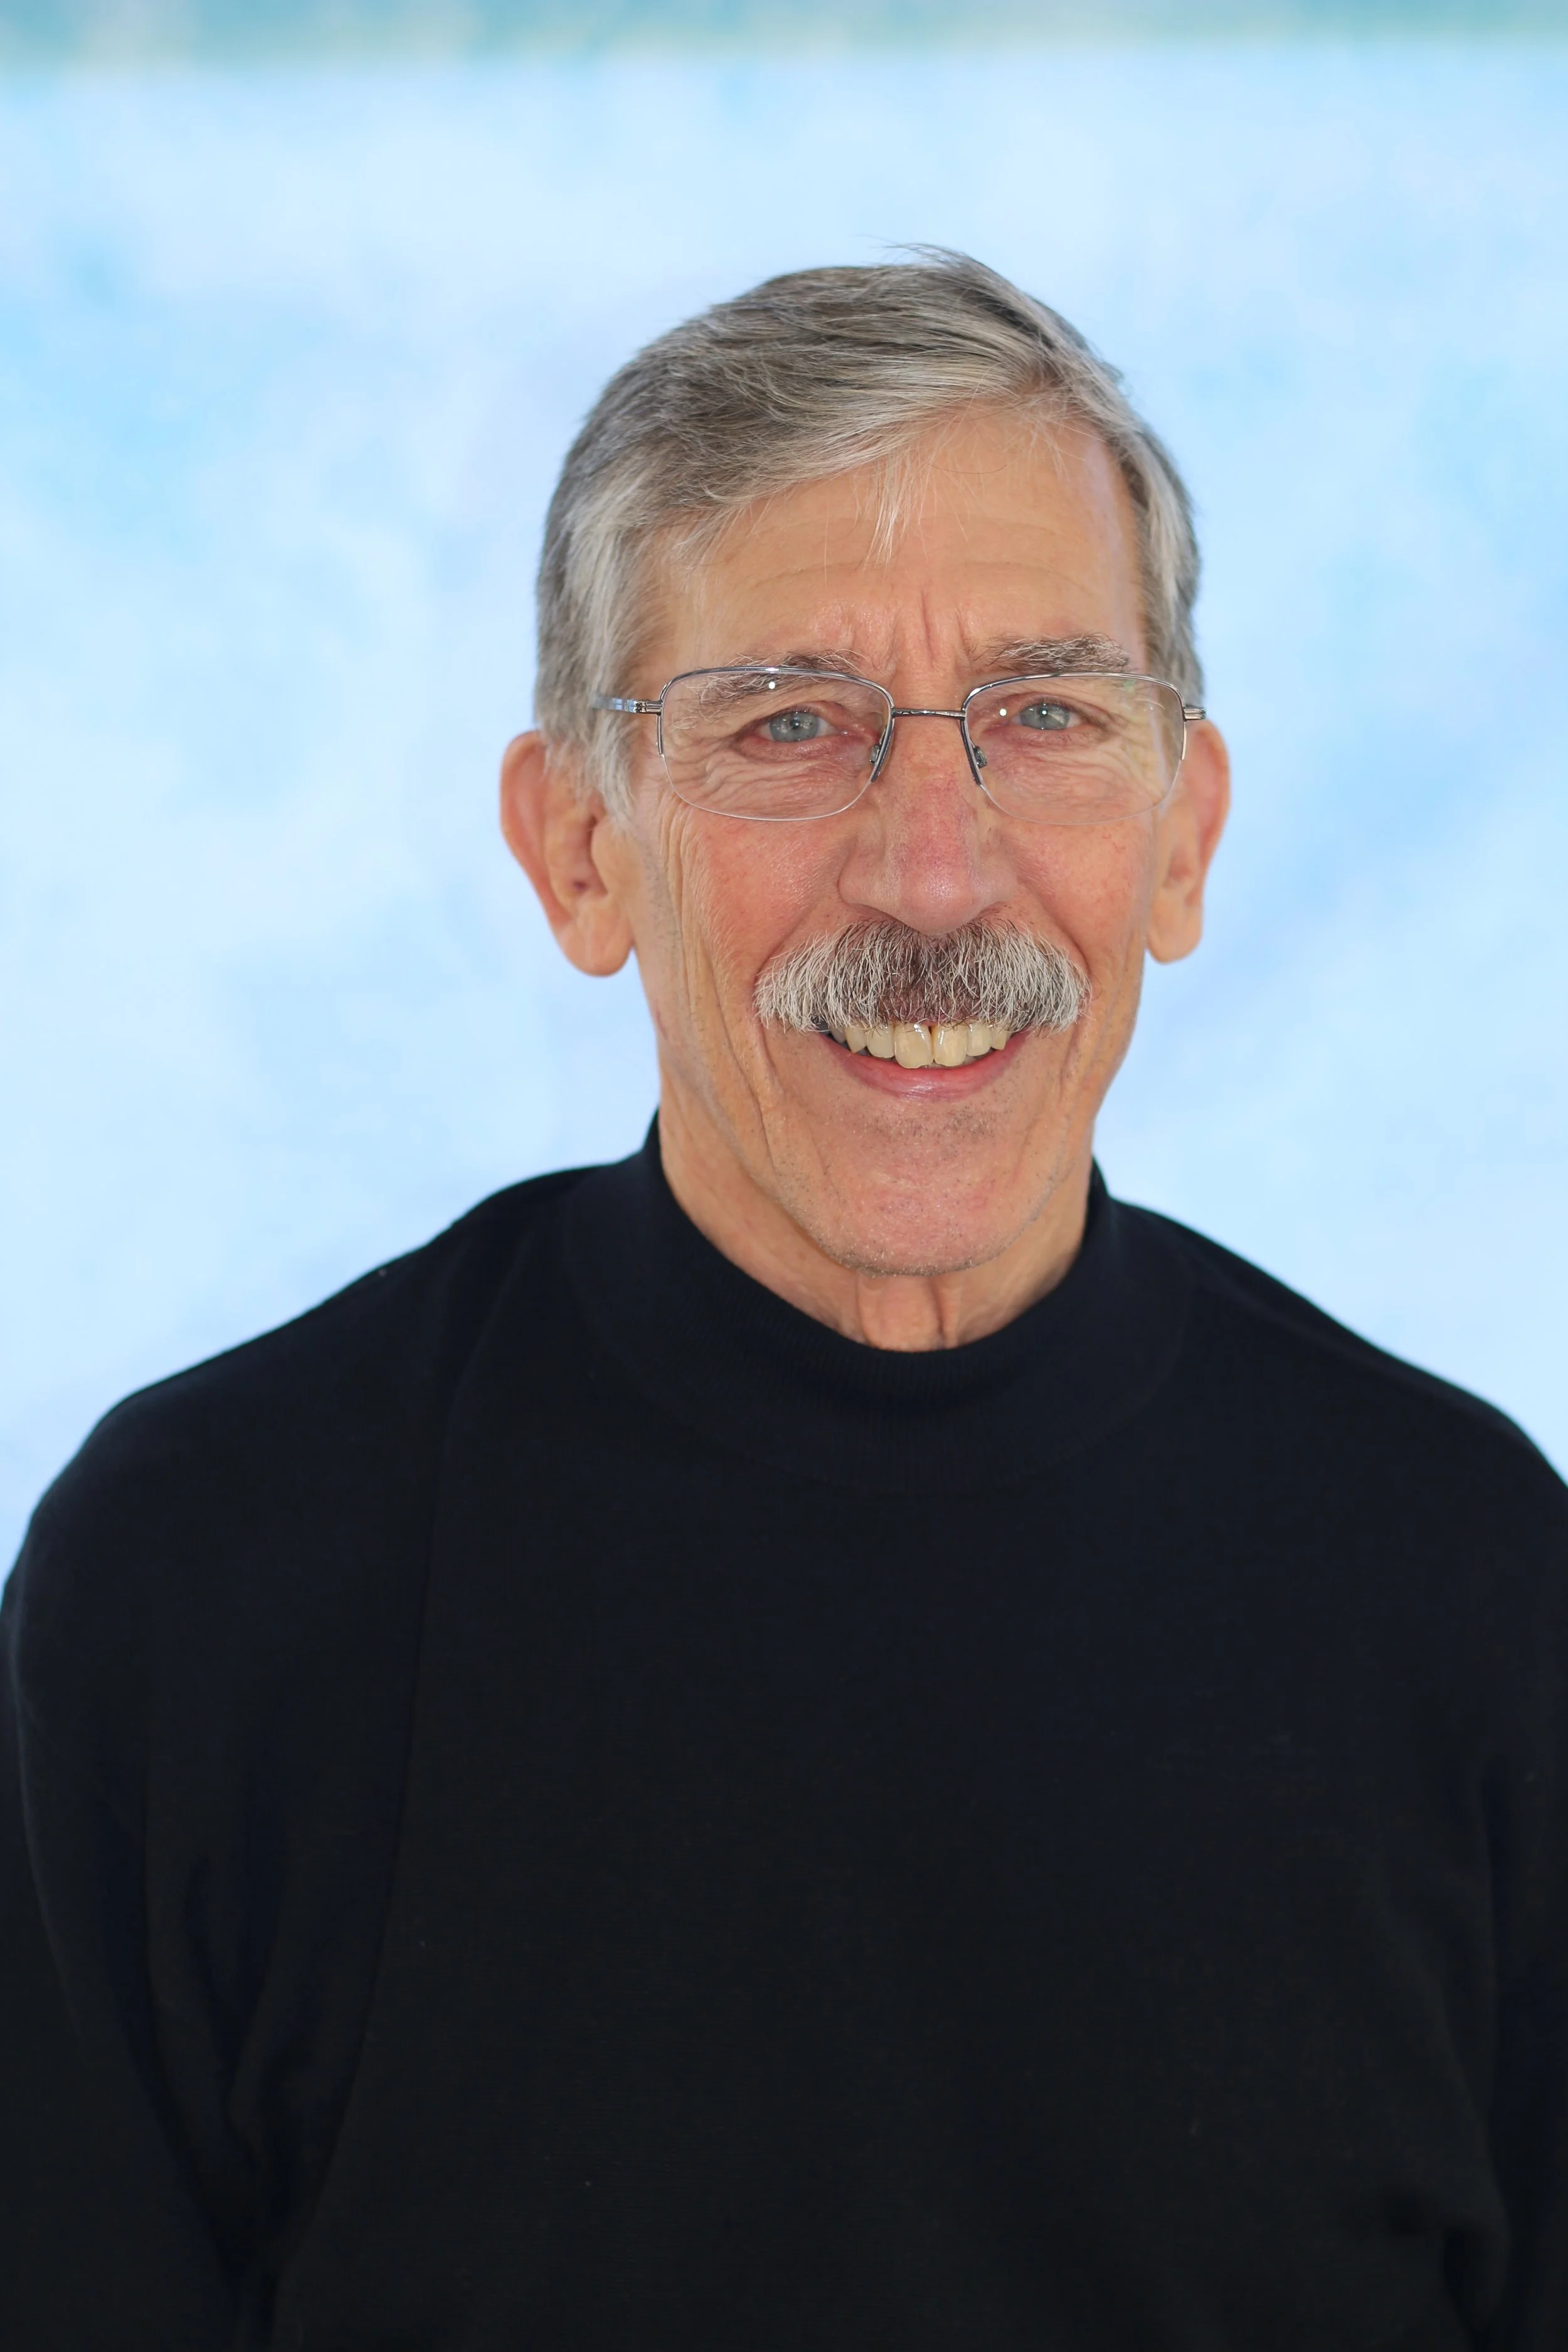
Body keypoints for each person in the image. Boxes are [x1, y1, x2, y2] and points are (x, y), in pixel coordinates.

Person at [3, 252, 1564, 2352]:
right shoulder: (198, 1583)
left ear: (1181, 838)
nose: (934, 869)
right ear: (578, 847)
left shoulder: (1473, 1580)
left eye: (1042, 715)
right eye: (791, 725)